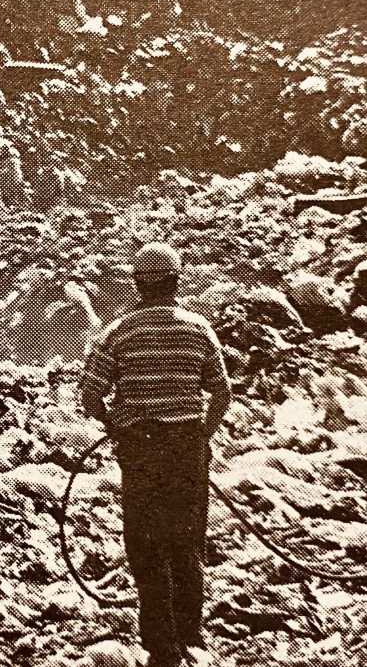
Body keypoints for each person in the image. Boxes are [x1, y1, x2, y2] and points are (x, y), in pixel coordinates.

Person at [78, 242, 232, 667]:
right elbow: (221, 391)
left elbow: (91, 394)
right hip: (186, 446)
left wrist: (117, 427)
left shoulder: (118, 332)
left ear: (137, 285)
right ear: (177, 281)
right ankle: (191, 632)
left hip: (140, 448)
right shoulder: (198, 329)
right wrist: (202, 433)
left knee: (145, 542)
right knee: (186, 540)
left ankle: (159, 640)